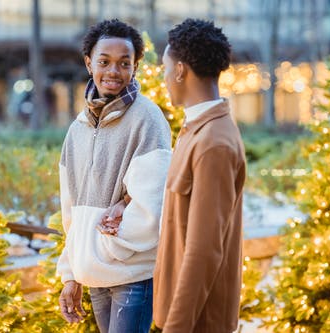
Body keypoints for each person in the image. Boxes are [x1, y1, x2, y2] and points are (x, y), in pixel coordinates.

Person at [56, 19, 172, 333]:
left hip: (131, 273)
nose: (113, 72)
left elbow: (154, 204)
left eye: (124, 63)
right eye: (104, 62)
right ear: (88, 62)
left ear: (135, 67)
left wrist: (111, 248)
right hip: (94, 275)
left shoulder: (147, 118)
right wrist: (72, 272)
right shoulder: (78, 128)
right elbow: (71, 209)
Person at [153, 18, 246, 333]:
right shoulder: (196, 129)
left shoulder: (213, 143)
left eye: (166, 69)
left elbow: (204, 249)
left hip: (198, 323)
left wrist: (175, 327)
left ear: (180, 70)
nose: (165, 79)